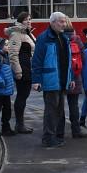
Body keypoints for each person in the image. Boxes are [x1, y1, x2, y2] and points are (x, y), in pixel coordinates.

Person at [31, 12, 74, 148]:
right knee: (51, 110)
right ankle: (48, 137)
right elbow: (37, 61)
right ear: (53, 22)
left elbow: (68, 61)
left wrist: (70, 77)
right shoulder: (44, 38)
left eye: (64, 21)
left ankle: (58, 135)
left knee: (60, 109)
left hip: (61, 79)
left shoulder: (64, 38)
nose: (64, 24)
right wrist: (36, 80)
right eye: (61, 22)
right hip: (51, 79)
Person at [6, 11, 35, 134]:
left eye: (30, 19)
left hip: (28, 68)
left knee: (24, 95)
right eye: (26, 19)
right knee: (22, 96)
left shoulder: (26, 33)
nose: (29, 21)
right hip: (23, 70)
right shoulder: (17, 34)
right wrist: (18, 72)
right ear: (20, 21)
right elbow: (12, 54)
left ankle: (21, 123)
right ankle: (19, 124)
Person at [63, 22, 85, 139]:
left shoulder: (59, 39)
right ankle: (76, 131)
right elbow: (83, 57)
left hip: (61, 77)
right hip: (75, 76)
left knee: (58, 105)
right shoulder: (76, 39)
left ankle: (59, 131)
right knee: (74, 105)